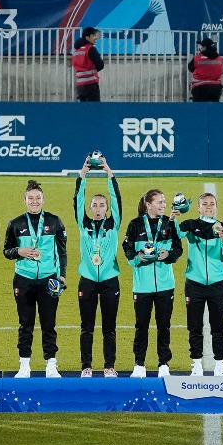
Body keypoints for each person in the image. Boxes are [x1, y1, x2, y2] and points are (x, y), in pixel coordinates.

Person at [2, 180, 68, 378]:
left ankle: (51, 365)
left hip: (49, 279)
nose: (34, 201)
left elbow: (62, 252)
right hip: (24, 279)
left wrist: (61, 275)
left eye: (38, 198)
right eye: (30, 198)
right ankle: (24, 365)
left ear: (43, 200)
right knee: (26, 324)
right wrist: (19, 251)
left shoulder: (55, 221)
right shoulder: (15, 224)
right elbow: (6, 251)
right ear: (24, 200)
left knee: (49, 324)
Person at [122, 189, 182, 377]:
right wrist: (139, 258)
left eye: (164, 201)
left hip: (165, 284)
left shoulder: (170, 223)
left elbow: (178, 249)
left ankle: (163, 363)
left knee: (164, 325)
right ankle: (139, 364)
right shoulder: (135, 224)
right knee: (141, 325)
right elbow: (128, 249)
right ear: (148, 205)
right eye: (160, 202)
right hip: (142, 286)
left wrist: (168, 255)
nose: (164, 205)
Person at [74, 156, 123, 377]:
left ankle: (109, 366)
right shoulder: (83, 223)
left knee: (109, 327)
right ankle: (86, 366)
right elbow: (77, 199)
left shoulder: (113, 223)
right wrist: (83, 174)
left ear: (106, 208)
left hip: (110, 279)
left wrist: (108, 173)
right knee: (87, 326)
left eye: (102, 205)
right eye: (94, 205)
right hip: (87, 279)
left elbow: (117, 199)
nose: (98, 209)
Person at [177, 192, 223, 377]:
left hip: (217, 284)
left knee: (218, 326)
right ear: (198, 208)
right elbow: (175, 234)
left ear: (216, 207)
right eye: (205, 204)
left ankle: (219, 364)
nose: (209, 207)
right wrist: (174, 216)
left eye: (212, 204)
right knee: (195, 326)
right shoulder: (191, 225)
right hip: (195, 283)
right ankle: (196, 364)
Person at [72, 26, 105, 101]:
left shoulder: (76, 51)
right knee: (94, 109)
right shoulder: (90, 49)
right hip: (91, 85)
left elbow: (75, 65)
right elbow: (100, 65)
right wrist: (92, 70)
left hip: (80, 86)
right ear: (87, 37)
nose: (96, 38)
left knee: (83, 110)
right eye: (93, 35)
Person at [188, 36, 223, 102]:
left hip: (200, 87)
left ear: (204, 47)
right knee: (214, 108)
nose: (200, 48)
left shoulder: (197, 58)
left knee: (198, 108)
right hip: (216, 87)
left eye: (201, 46)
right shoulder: (219, 58)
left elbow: (190, 67)